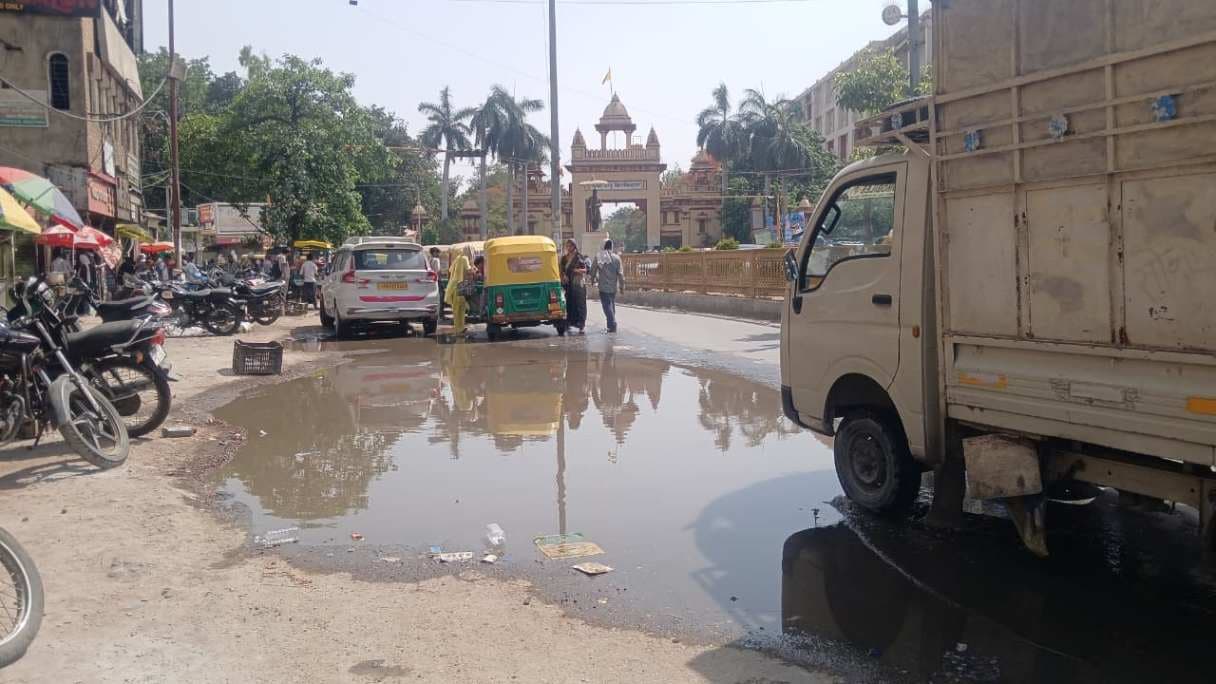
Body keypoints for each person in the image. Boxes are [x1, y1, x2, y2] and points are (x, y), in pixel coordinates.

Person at [591, 239, 624, 333]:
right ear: (611, 246)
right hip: (613, 287)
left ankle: (612, 324)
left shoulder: (598, 257)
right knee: (611, 305)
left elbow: (593, 271)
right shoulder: (617, 258)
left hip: (603, 287)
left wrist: (592, 280)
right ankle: (610, 325)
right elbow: (621, 274)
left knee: (607, 306)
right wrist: (622, 287)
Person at [560, 239, 588, 334]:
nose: (568, 248)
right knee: (569, 304)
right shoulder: (564, 258)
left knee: (580, 305)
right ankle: (569, 323)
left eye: (570, 246)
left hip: (578, 284)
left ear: (574, 246)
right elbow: (561, 270)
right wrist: (563, 276)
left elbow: (585, 270)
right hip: (568, 285)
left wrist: (576, 271)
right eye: (567, 246)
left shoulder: (579, 257)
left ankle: (581, 325)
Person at [445, 249, 472, 336]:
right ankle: (460, 329)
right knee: (461, 309)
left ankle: (459, 329)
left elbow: (450, 271)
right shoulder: (464, 259)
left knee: (456, 310)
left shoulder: (456, 259)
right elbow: (468, 271)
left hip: (453, 286)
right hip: (461, 285)